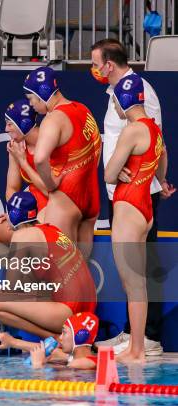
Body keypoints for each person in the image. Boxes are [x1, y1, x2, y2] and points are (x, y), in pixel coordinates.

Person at [91, 38, 174, 356]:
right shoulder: (119, 92)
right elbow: (159, 146)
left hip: (135, 194)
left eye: (96, 63)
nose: (94, 69)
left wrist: (137, 172)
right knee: (134, 275)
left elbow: (149, 137)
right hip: (127, 193)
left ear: (109, 64)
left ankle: (146, 338)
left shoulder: (140, 92)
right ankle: (133, 335)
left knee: (137, 274)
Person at [104, 74, 166, 364]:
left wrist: (118, 170)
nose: (113, 106)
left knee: (132, 284)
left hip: (128, 206)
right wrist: (159, 179)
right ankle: (137, 347)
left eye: (114, 100)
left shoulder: (131, 130)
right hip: (145, 209)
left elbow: (108, 173)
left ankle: (137, 350)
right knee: (138, 283)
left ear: (122, 100)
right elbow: (162, 159)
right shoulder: (153, 128)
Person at [0, 191, 97, 339]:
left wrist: (1, 291)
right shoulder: (53, 229)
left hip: (69, 312)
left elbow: (12, 287)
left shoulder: (22, 236)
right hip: (90, 307)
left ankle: (54, 338)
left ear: (12, 215)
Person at [23, 67, 102, 259]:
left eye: (31, 98)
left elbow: (40, 158)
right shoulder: (83, 109)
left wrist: (51, 185)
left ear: (42, 93)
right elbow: (97, 146)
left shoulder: (53, 119)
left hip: (66, 198)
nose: (31, 104)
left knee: (61, 272)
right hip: (91, 198)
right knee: (80, 268)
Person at [0, 99, 48, 258]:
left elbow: (52, 191)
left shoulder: (49, 143)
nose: (5, 129)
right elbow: (12, 188)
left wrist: (23, 161)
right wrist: (15, 213)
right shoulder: (16, 146)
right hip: (29, 208)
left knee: (26, 240)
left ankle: (25, 276)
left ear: (23, 123)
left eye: (10, 124)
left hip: (52, 208)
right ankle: (23, 273)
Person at [0, 312, 99, 370]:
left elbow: (41, 390)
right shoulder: (84, 359)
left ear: (80, 337)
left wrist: (38, 365)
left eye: (64, 332)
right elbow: (54, 352)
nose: (60, 337)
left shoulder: (78, 364)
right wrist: (12, 342)